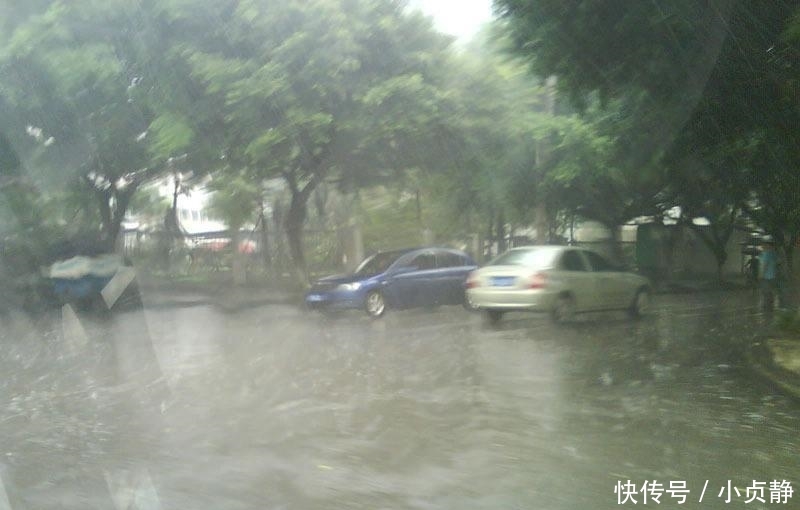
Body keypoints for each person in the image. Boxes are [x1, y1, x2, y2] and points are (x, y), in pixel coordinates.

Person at [759, 236, 779, 312]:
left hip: (766, 277)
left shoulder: (766, 253)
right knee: (770, 293)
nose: (762, 245)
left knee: (766, 292)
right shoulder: (773, 253)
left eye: (763, 243)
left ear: (767, 244)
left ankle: (767, 309)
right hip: (773, 277)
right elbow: (778, 263)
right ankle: (770, 308)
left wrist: (761, 275)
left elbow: (764, 265)